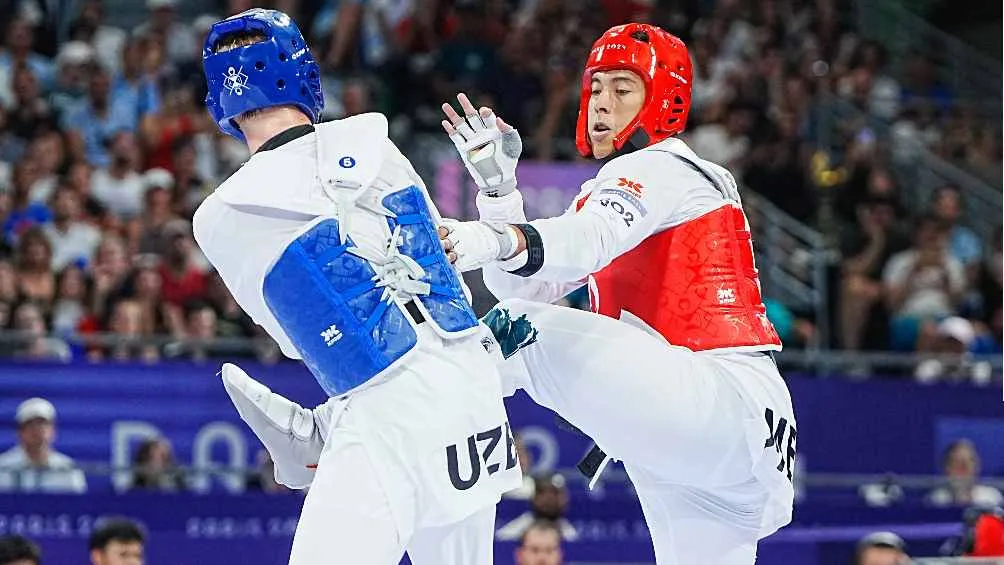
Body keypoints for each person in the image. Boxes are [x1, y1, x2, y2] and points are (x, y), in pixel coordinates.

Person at [438, 23, 796, 565]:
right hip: (722, 445)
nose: (602, 103)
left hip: (720, 398)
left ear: (663, 100)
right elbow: (523, 284)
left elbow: (580, 247)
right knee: (519, 318)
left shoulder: (665, 167)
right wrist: (498, 192)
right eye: (597, 87)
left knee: (516, 330)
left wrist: (487, 238)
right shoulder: (628, 186)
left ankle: (376, 422)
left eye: (623, 88)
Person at [192, 9, 520, 565]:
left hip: (388, 410)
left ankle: (318, 433)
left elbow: (298, 342)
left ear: (222, 102)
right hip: (474, 390)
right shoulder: (376, 142)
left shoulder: (222, 216)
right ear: (303, 73)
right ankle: (319, 432)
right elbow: (444, 266)